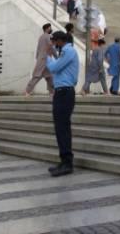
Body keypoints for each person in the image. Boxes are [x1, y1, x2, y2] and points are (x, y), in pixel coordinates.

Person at [46, 31, 79, 176]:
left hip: (65, 93)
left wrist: (47, 56)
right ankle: (64, 160)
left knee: (62, 128)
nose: (53, 44)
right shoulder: (64, 52)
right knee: (60, 128)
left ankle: (67, 162)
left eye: (54, 41)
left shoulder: (68, 51)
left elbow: (54, 68)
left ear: (60, 40)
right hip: (61, 92)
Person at [25, 24, 54, 96]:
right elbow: (51, 47)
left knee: (49, 76)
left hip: (42, 60)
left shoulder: (41, 37)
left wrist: (38, 58)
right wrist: (56, 57)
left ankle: (52, 92)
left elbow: (38, 49)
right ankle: (27, 91)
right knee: (37, 76)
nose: (51, 29)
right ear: (47, 29)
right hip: (45, 60)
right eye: (50, 28)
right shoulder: (48, 36)